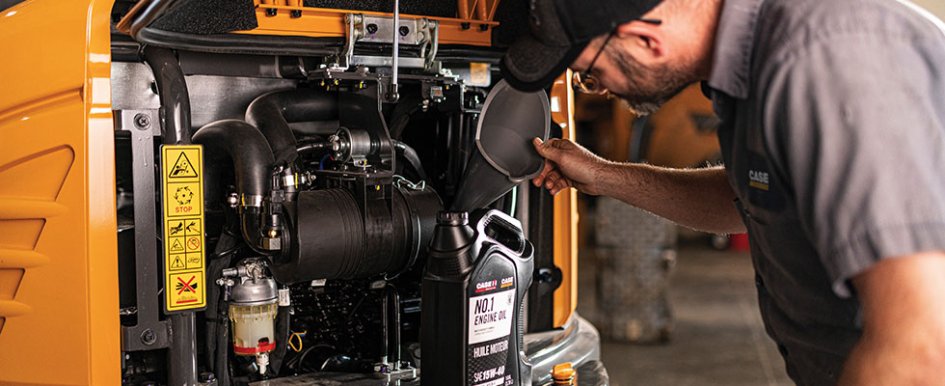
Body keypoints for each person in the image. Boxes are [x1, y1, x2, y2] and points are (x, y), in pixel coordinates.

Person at [500, 0, 945, 385]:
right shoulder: (751, 67)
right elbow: (751, 198)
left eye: (591, 75)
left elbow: (921, 346)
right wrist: (601, 175)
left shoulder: (826, 62)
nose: (600, 89)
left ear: (645, 40)